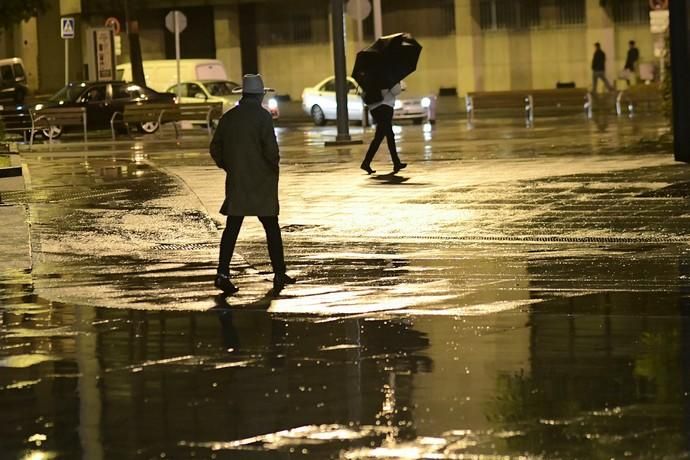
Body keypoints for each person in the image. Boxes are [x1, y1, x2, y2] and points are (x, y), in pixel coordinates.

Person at [210, 74, 296, 295]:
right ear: (259, 95)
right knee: (271, 227)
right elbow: (271, 151)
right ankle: (279, 271)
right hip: (261, 181)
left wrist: (229, 166)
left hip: (238, 181)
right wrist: (272, 168)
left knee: (232, 228)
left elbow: (215, 148)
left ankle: (222, 273)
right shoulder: (262, 117)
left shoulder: (229, 118)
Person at [360, 82, 407, 175]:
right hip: (385, 106)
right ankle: (366, 162)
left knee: (386, 135)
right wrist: (399, 85)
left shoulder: (372, 76)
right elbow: (395, 91)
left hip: (374, 107)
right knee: (382, 136)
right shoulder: (387, 76)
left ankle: (396, 162)